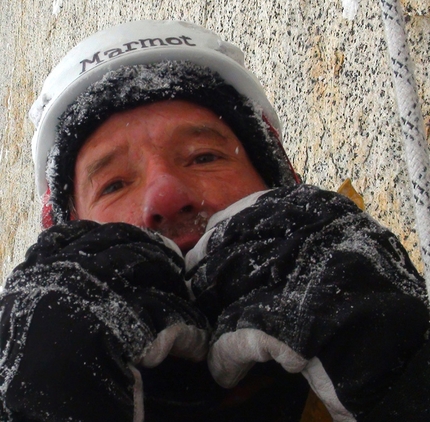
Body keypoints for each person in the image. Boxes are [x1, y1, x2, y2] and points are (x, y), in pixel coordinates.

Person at [0, 20, 429, 422]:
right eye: (113, 185)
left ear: (282, 179)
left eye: (204, 157)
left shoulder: (368, 301)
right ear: (66, 233)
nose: (165, 197)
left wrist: (398, 365)